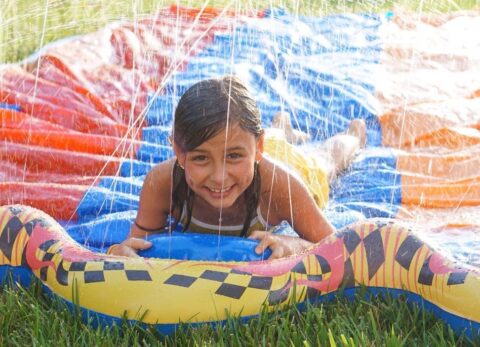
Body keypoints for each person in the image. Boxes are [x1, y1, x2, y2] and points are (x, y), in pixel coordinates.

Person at [108, 75, 366, 259]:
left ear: (258, 147)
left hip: (288, 165)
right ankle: (280, 126)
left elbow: (337, 248)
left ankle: (353, 135)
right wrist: (119, 251)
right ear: (178, 152)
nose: (219, 177)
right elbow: (138, 244)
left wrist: (295, 245)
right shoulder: (162, 183)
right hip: (253, 154)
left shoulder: (281, 187)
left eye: (232, 157)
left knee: (325, 160)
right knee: (268, 139)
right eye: (200, 158)